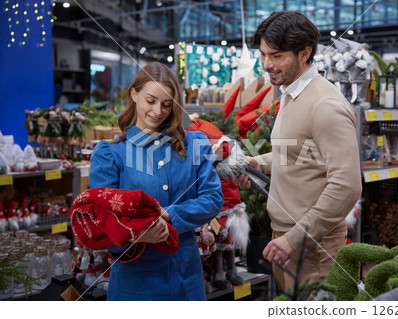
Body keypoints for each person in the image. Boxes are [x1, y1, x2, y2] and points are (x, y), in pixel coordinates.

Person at [238, 11, 362, 292]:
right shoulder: (291, 94)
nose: (268, 64)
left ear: (305, 53)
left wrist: (295, 239)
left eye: (277, 55)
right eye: (264, 55)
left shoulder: (325, 105)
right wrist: (258, 162)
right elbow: (299, 153)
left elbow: (346, 186)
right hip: (287, 239)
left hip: (314, 247)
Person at [89, 62, 224, 300]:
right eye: (151, 101)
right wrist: (136, 236)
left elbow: (213, 198)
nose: (158, 111)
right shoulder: (110, 153)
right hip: (134, 286)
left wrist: (169, 214)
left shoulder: (194, 143)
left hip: (188, 281)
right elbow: (101, 222)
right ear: (134, 94)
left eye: (166, 104)